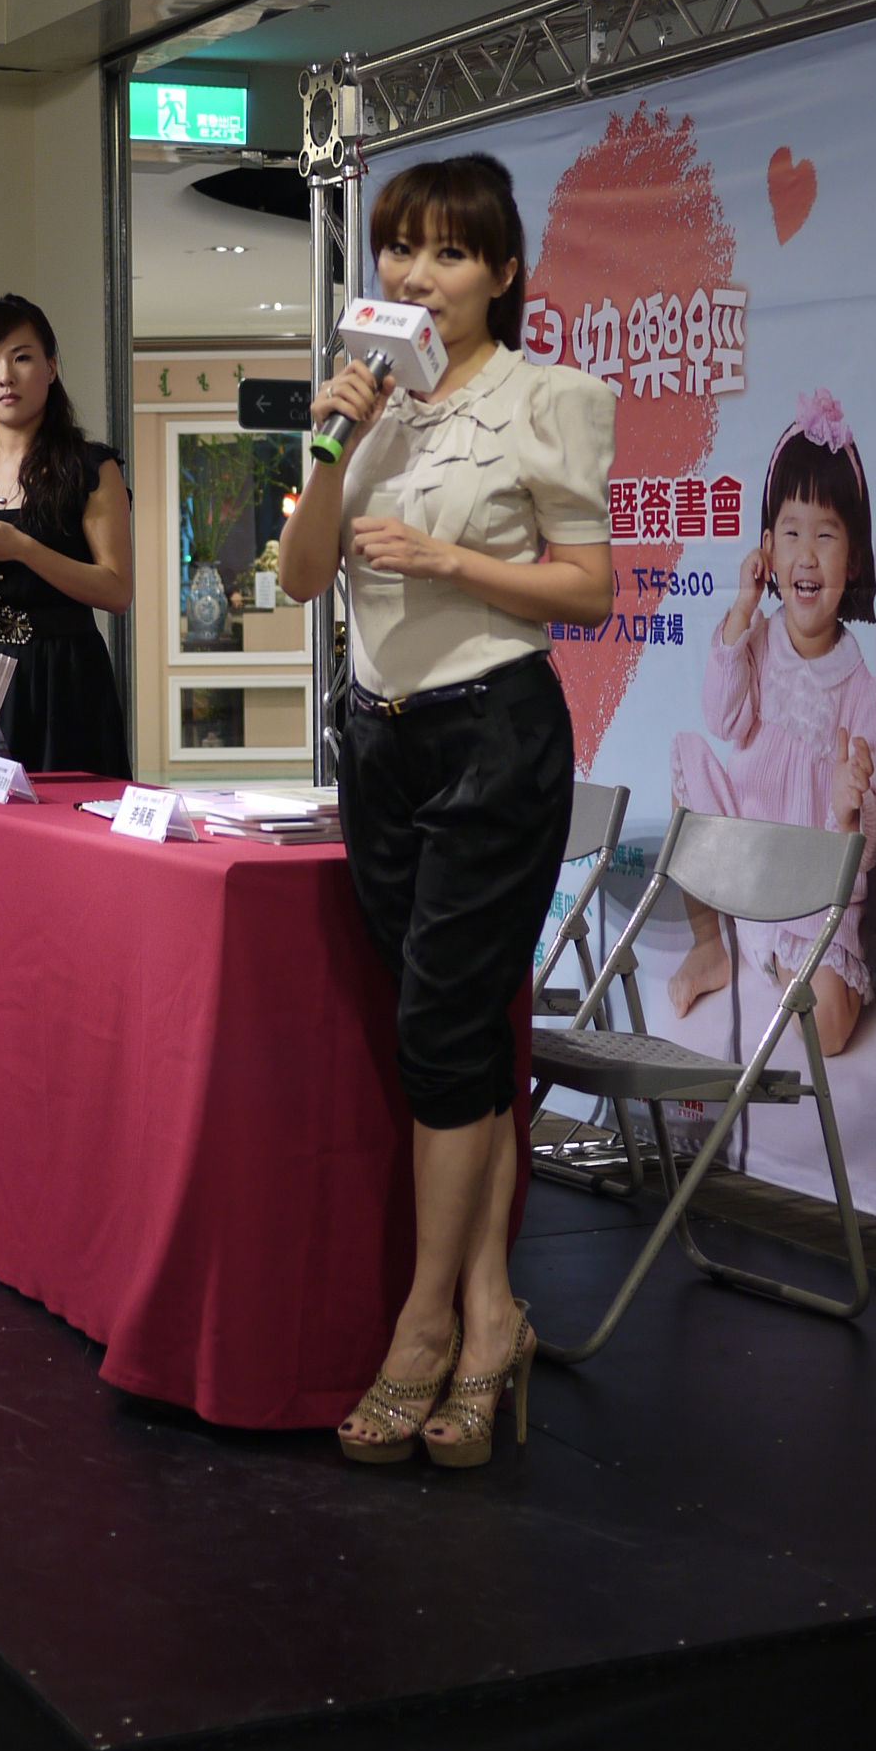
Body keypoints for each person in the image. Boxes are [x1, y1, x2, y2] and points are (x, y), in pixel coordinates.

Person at [278, 153, 614, 1468]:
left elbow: (587, 587)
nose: (417, 276)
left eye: (450, 253)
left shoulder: (548, 397)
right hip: (381, 745)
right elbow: (302, 577)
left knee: (437, 1027)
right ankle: (491, 1313)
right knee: (458, 1039)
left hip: (494, 737)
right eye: (400, 249)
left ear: (503, 271)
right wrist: (329, 443)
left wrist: (447, 558)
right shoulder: (362, 404)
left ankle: (422, 1327)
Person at [667, 391, 876, 1057]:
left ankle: (789, 960)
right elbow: (722, 716)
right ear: (766, 550)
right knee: (687, 769)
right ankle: (712, 944)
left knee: (829, 1031)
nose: (807, 555)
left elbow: (872, 833)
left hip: (813, 892)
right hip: (745, 858)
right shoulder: (758, 640)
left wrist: (852, 809)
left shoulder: (863, 687)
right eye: (791, 533)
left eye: (826, 535)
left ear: (854, 560)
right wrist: (741, 610)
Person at [0, 293, 132, 775]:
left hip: (66, 672)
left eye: (22, 358)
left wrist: (23, 549)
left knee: (72, 810)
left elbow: (117, 592)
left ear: (50, 368)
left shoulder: (91, 468)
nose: (5, 376)